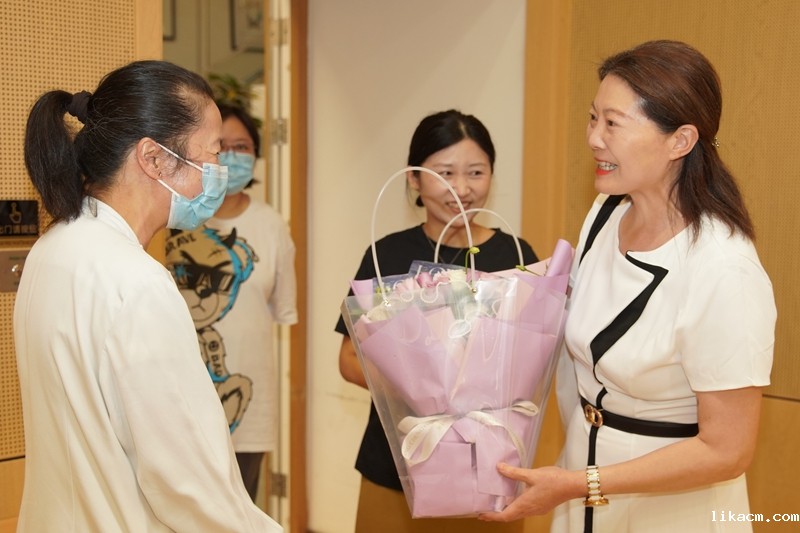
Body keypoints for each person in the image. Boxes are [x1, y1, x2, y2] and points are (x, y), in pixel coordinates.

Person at [479, 40, 776, 532]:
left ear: (680, 141)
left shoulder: (724, 270)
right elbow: (567, 295)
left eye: (613, 123)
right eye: (593, 118)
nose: (594, 138)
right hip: (579, 479)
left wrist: (582, 484)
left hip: (671, 509)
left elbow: (728, 451)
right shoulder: (607, 212)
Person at [15, 60, 282, 532]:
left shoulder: (52, 250)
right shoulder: (138, 283)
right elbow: (186, 485)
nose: (218, 171)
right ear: (154, 159)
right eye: (212, 152)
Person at [335, 109, 539, 533]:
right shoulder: (386, 254)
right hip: (395, 465)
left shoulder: (516, 257)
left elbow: (532, 359)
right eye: (444, 173)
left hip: (489, 471)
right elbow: (350, 360)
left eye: (476, 172)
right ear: (414, 178)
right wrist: (427, 391)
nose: (461, 189)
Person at [165, 101, 298, 503]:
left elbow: (281, 309)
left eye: (243, 147)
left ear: (257, 155)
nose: (232, 156)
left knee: (241, 511)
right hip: (175, 402)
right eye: (221, 146)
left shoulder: (272, 226)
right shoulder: (172, 221)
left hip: (249, 409)